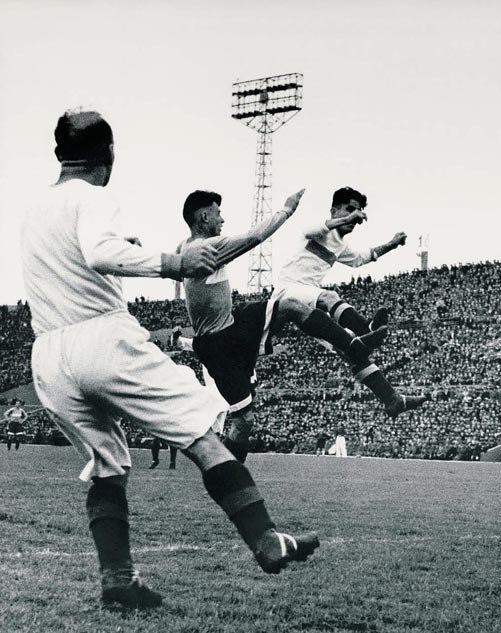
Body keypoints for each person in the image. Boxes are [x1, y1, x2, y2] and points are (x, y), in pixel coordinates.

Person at [20, 109, 318, 609]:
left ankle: (118, 581)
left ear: (59, 154)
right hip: (101, 339)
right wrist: (173, 263)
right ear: (108, 153)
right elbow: (99, 253)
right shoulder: (92, 197)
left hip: (48, 354)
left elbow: (81, 262)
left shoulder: (34, 212)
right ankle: (267, 540)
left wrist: (126, 252)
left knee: (107, 465)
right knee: (202, 432)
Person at [180, 188, 389, 462]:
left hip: (233, 324)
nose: (222, 219)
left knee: (290, 305)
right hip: (218, 345)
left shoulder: (186, 246)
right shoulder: (206, 249)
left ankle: (354, 345)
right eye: (217, 213)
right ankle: (227, 470)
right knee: (243, 422)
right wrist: (287, 210)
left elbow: (178, 266)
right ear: (204, 217)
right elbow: (254, 237)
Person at [275, 186, 428, 417]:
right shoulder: (318, 231)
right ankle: (365, 329)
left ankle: (392, 399)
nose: (354, 217)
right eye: (348, 209)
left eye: (357, 211)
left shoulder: (340, 245)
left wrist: (392, 244)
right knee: (330, 296)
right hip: (287, 292)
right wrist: (347, 218)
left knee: (349, 351)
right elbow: (311, 230)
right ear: (333, 210)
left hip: (308, 301)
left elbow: (359, 259)